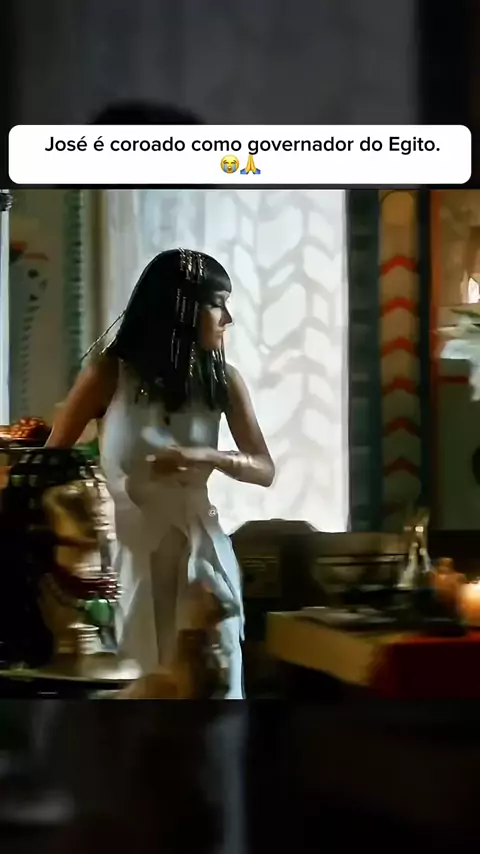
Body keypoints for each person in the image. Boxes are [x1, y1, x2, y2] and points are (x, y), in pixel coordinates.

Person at [46, 249, 275, 699]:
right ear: (181, 308)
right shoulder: (109, 374)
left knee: (211, 698)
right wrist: (82, 514)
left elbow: (264, 469)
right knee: (141, 700)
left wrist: (209, 457)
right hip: (128, 561)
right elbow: (50, 462)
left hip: (201, 562)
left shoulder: (223, 380)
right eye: (217, 304)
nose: (228, 319)